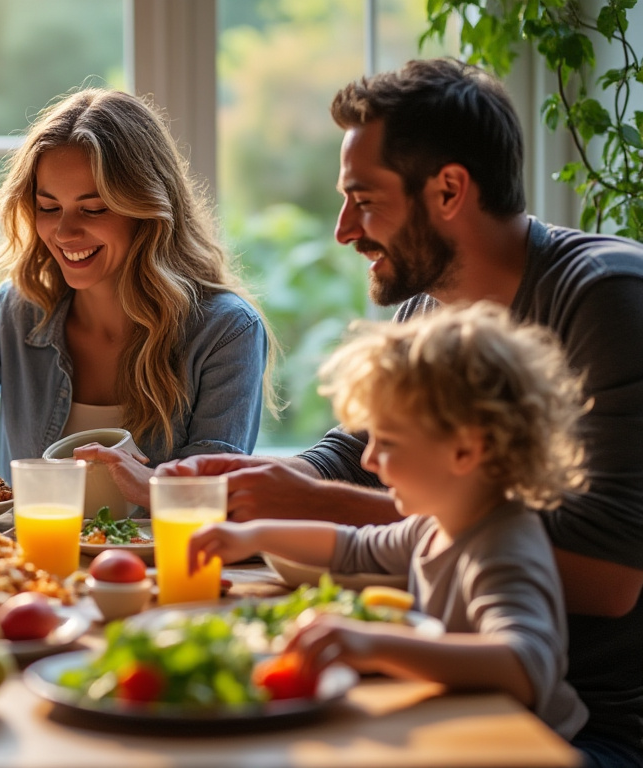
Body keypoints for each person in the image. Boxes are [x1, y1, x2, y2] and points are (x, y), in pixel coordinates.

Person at [161, 59, 643, 765]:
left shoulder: (607, 297)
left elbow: (610, 578)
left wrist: (324, 504)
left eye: (364, 200)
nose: (342, 231)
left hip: (575, 730)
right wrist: (257, 485)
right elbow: (357, 451)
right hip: (445, 693)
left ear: (449, 190)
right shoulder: (430, 302)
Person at [189, 303, 588, 739]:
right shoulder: (435, 526)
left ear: (465, 451)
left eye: (389, 442)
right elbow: (349, 546)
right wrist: (252, 536)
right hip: (458, 726)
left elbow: (525, 666)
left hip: (524, 745)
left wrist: (372, 644)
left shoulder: (501, 545)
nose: (368, 459)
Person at [0, 88, 273, 494]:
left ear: (149, 211)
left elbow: (214, 489)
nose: (64, 232)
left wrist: (152, 484)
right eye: (49, 207)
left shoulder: (227, 332)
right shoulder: (20, 310)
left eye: (93, 209)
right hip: (31, 541)